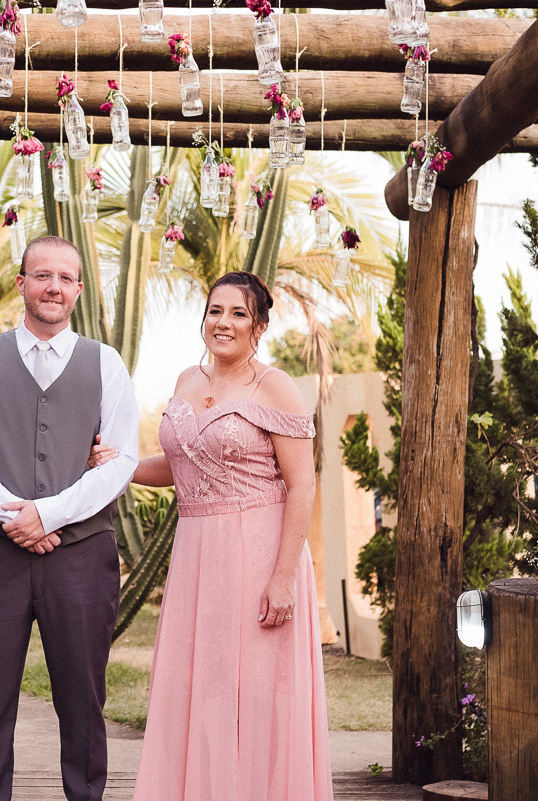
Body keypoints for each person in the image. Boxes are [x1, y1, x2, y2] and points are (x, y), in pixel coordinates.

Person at [91, 271, 333, 801]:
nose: (223, 322)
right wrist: (120, 465)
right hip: (198, 554)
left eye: (238, 313)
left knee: (257, 694)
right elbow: (181, 468)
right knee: (203, 691)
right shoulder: (186, 381)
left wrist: (283, 578)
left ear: (260, 327)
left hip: (260, 551)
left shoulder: (274, 386)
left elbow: (303, 484)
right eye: (215, 311)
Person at [0, 235, 139, 801]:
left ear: (78, 289)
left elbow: (120, 459)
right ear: (22, 282)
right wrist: (14, 519)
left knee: (83, 700)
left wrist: (47, 514)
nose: (53, 286)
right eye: (42, 275)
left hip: (81, 559)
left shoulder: (107, 364)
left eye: (65, 278)